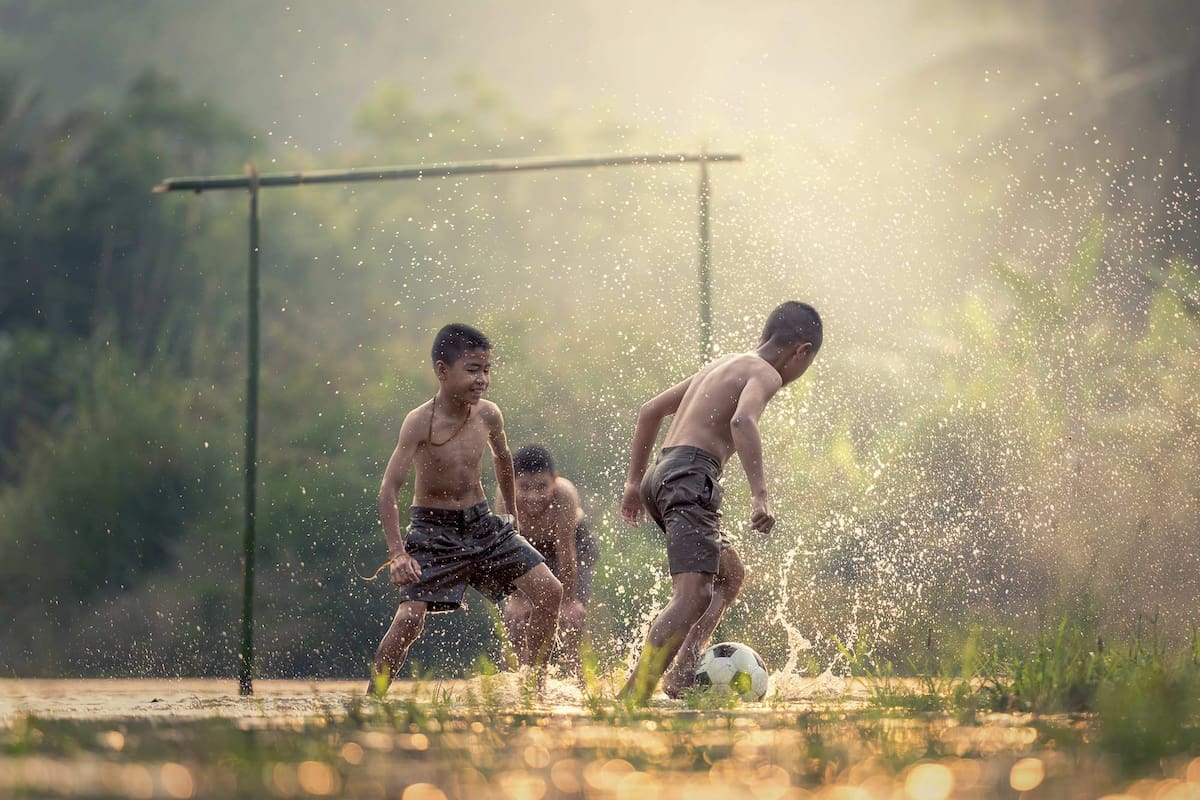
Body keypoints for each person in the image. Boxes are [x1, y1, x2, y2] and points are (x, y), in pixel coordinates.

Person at [618, 301, 823, 705]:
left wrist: (632, 481)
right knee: (691, 595)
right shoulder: (765, 373)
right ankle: (631, 699)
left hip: (662, 473)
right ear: (800, 351)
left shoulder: (726, 363)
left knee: (729, 575)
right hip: (692, 475)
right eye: (807, 362)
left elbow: (650, 411)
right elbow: (742, 421)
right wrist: (760, 496)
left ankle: (680, 675)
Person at [369, 323, 563, 696]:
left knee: (550, 592)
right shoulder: (419, 423)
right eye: (473, 369)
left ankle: (534, 688)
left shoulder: (488, 415)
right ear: (443, 371)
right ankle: (372, 700)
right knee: (410, 619)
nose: (482, 380)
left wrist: (513, 523)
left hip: (483, 524)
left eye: (486, 370)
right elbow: (388, 491)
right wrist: (397, 553)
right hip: (432, 530)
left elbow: (504, 460)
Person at [496, 445, 599, 675]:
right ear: (512, 483)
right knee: (518, 618)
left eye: (542, 486)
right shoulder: (505, 497)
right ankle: (523, 678)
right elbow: (507, 551)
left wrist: (569, 601)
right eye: (524, 487)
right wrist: (517, 598)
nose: (533, 496)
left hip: (571, 546)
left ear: (555, 480)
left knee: (571, 619)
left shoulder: (565, 495)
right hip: (523, 548)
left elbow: (566, 550)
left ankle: (582, 681)